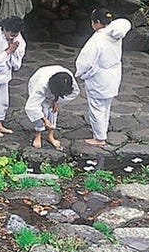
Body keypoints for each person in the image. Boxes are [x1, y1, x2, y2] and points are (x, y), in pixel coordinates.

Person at [75, 8, 132, 146]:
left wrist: (80, 73)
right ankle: (102, 131)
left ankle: (99, 138)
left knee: (97, 107)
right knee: (106, 106)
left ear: (97, 22)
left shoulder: (98, 39)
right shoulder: (115, 35)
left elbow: (85, 61)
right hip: (113, 74)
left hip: (100, 77)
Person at [25, 66, 80, 149]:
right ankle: (38, 134)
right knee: (42, 109)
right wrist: (44, 119)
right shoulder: (41, 85)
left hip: (57, 84)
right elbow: (32, 106)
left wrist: (57, 101)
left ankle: (50, 136)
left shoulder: (69, 80)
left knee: (53, 109)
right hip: (38, 79)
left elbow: (74, 93)